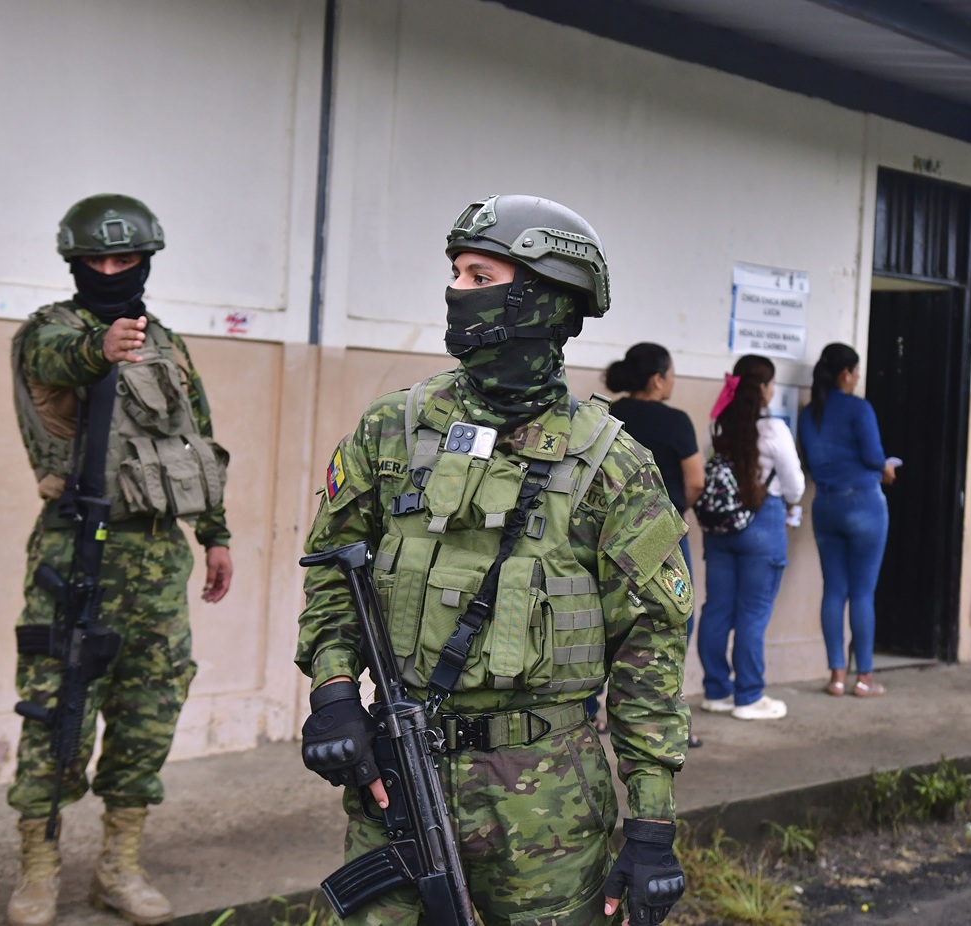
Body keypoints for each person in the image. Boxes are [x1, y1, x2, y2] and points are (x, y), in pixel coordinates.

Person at [296, 195, 692, 926]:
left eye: (481, 275)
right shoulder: (394, 429)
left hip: (547, 799)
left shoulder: (613, 464)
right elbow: (331, 569)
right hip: (399, 773)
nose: (457, 292)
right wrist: (332, 692)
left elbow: (652, 653)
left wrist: (652, 826)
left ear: (542, 299)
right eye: (455, 274)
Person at [7, 194, 233, 926]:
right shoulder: (52, 330)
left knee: (148, 713)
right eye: (95, 261)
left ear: (146, 261)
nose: (110, 271)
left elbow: (197, 435)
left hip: (158, 558)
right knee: (56, 712)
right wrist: (97, 351)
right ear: (74, 263)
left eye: (124, 259)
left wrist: (215, 534)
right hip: (76, 551)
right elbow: (53, 360)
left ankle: (118, 867)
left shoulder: (166, 341)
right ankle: (38, 870)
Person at [603, 342, 704, 745]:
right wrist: (676, 510)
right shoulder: (676, 421)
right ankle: (658, 721)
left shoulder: (610, 413)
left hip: (608, 531)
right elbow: (695, 480)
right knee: (667, 621)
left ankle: (594, 714)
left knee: (607, 621)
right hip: (659, 532)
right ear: (658, 378)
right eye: (672, 373)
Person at [696, 355, 805, 720]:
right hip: (762, 525)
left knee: (717, 610)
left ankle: (716, 691)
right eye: (771, 384)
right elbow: (794, 485)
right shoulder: (774, 431)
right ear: (763, 388)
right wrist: (793, 504)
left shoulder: (720, 426)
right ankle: (749, 696)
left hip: (721, 528)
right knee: (752, 614)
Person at [797, 343, 896, 699]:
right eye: (856, 373)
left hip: (826, 504)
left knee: (834, 590)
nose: (857, 379)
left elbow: (810, 461)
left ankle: (836, 676)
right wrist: (886, 466)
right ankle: (864, 678)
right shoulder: (858, 408)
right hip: (864, 504)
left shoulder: (810, 413)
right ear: (845, 375)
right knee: (862, 593)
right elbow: (872, 455)